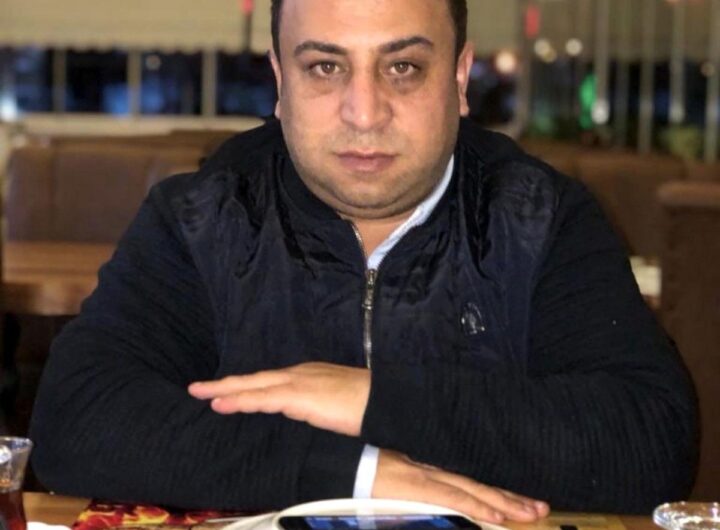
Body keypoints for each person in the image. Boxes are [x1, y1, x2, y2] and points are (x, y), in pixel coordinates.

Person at [29, 0, 697, 522]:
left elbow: (651, 441)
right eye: (325, 67)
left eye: (403, 67)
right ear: (280, 81)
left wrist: (371, 400)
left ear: (460, 78)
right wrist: (353, 472)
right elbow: (75, 420)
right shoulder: (202, 216)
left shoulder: (540, 217)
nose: (365, 112)